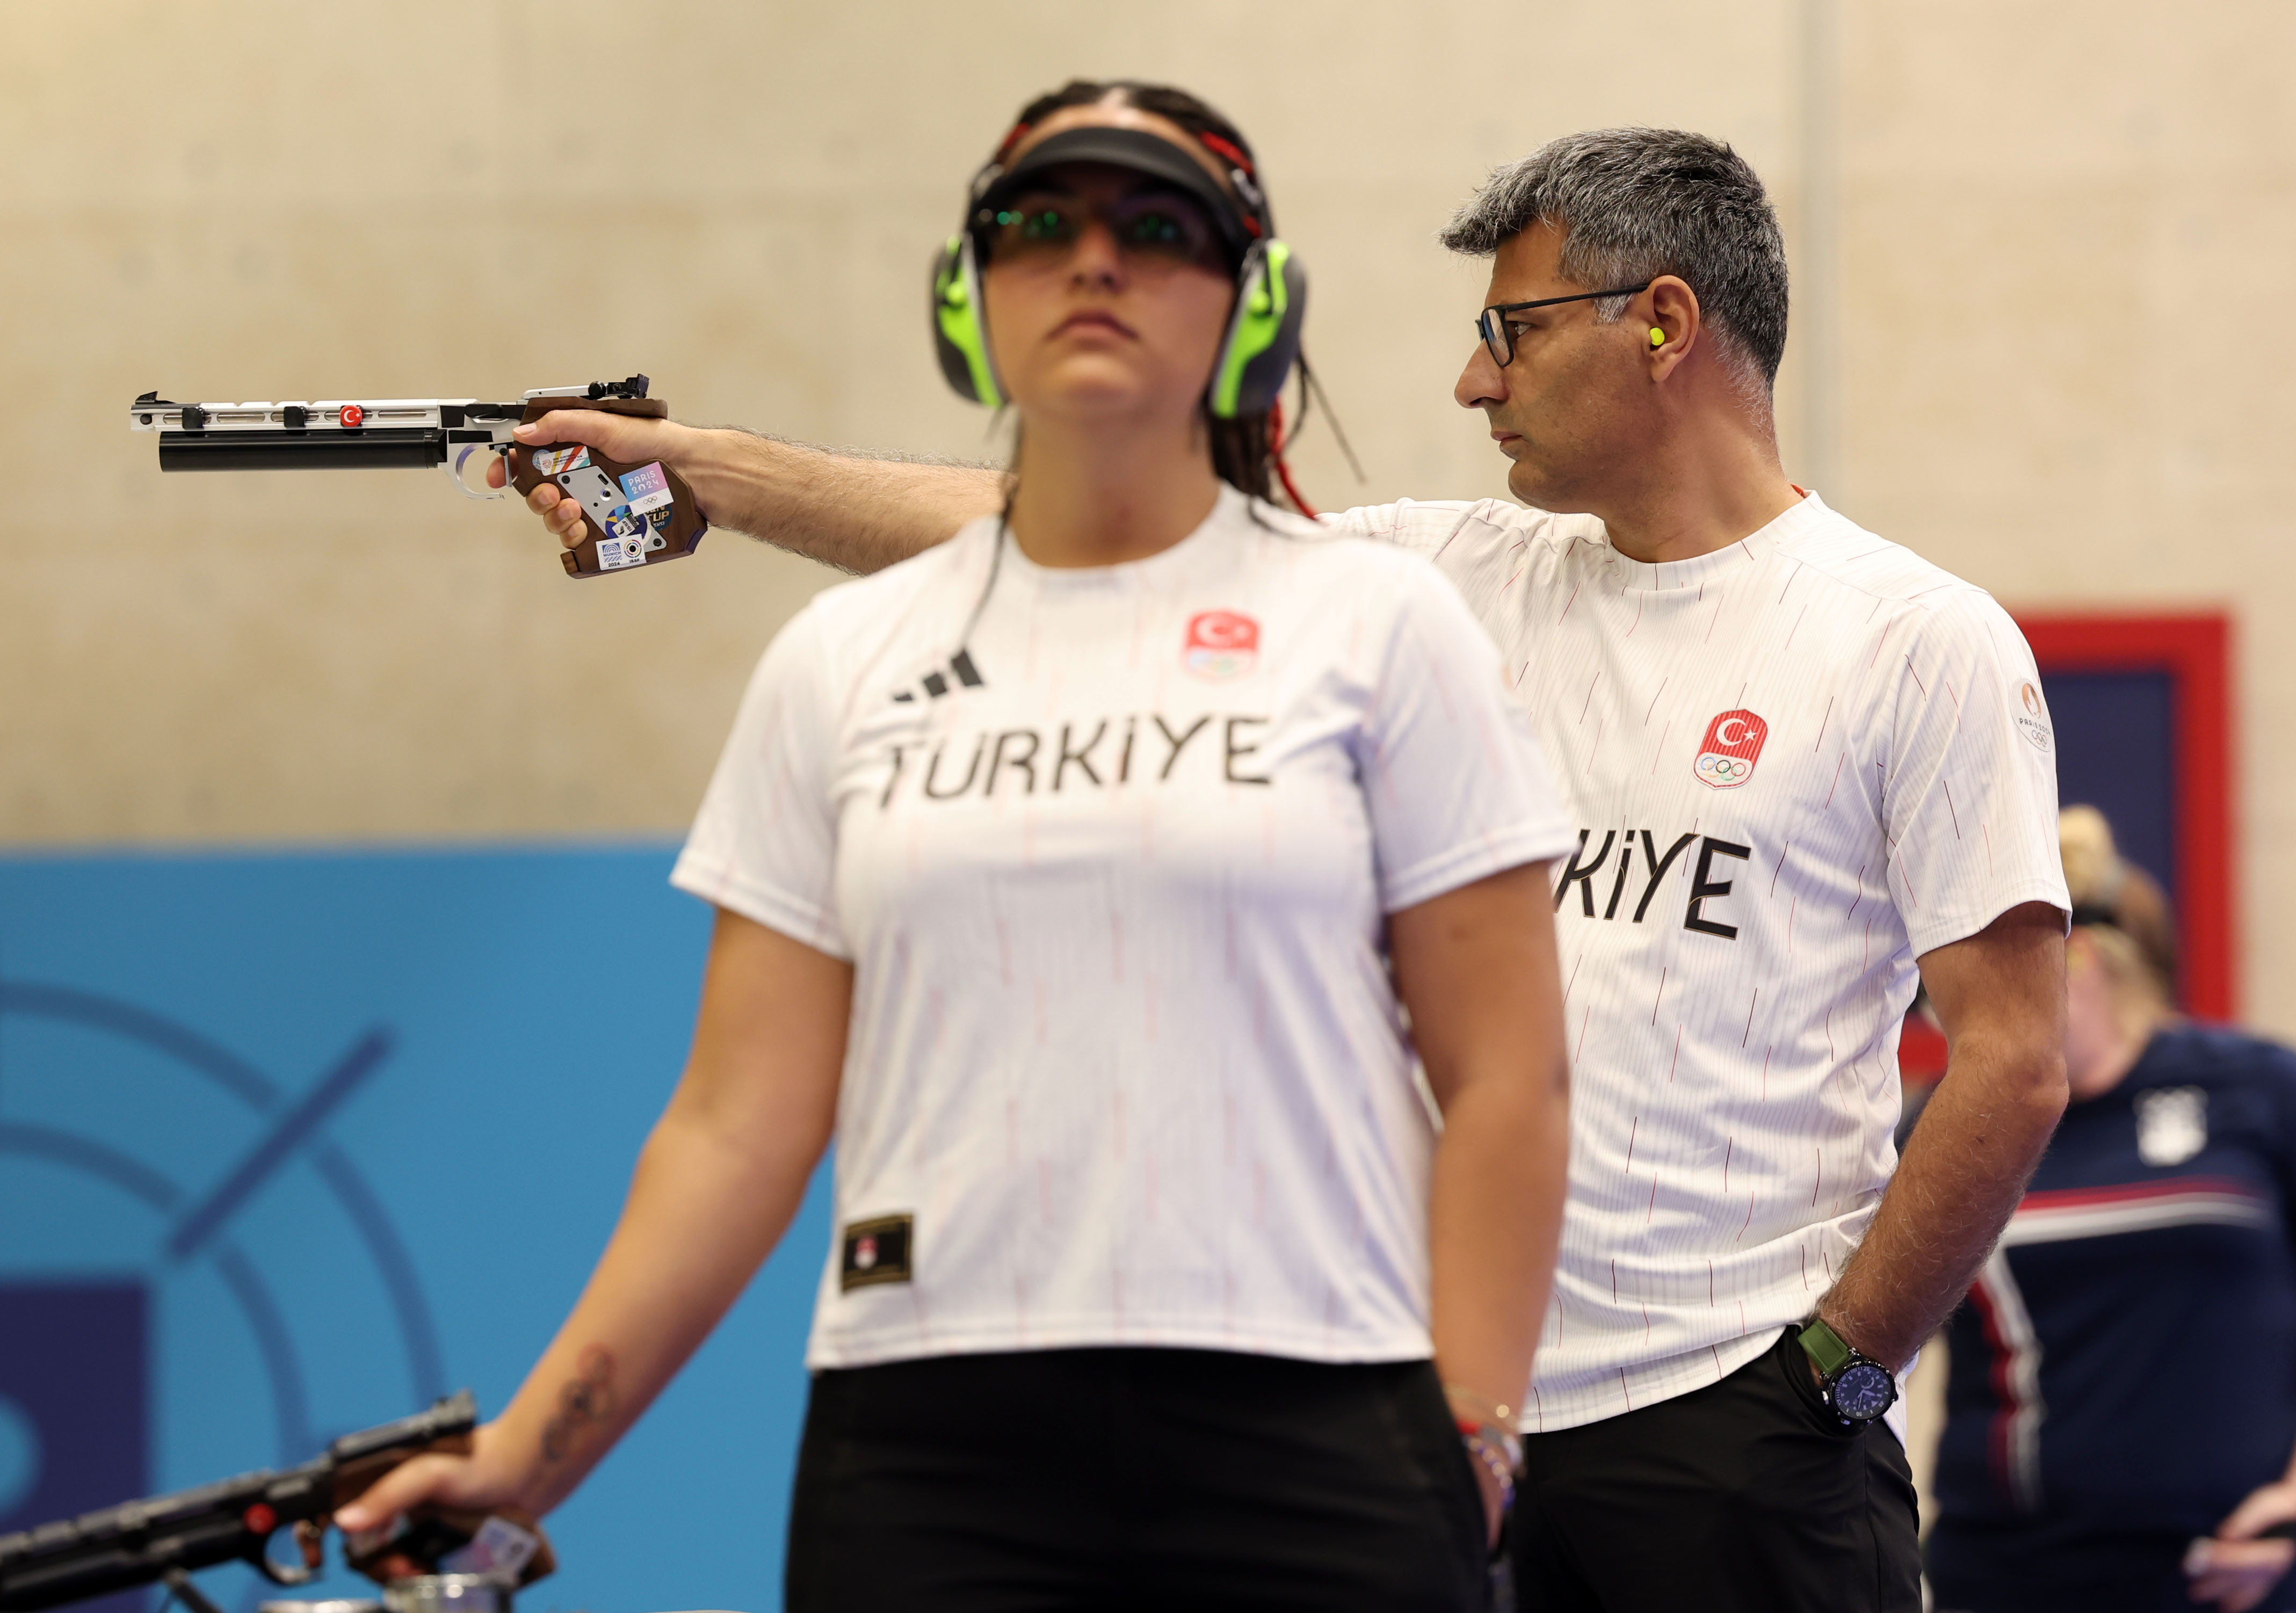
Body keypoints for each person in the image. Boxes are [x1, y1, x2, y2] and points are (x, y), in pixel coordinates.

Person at [483, 110, 2073, 1612]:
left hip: (1735, 1427)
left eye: (1510, 328)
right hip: (1448, 1419)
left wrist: (1837, 1368)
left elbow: (2009, 1060)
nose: (1470, 378)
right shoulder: (1430, 581)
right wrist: (707, 471)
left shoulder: (1909, 640)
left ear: (1660, 324)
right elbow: (1024, 522)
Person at [343, 82, 1578, 1612]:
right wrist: (533, 1452)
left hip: (1319, 1424)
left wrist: (1474, 1425)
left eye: (1156, 228)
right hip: (929, 1454)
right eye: (1036, 226)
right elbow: (735, 1125)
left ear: (1252, 304)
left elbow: (1508, 1077)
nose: (1094, 261)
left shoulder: (1386, 632)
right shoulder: (839, 661)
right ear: (965, 296)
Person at [1924, 806, 2296, 1613]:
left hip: (2229, 1576)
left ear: (2077, 959)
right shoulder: (1937, 1130)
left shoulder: (2256, 1089)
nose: (1947, 1015)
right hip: (2007, 1577)